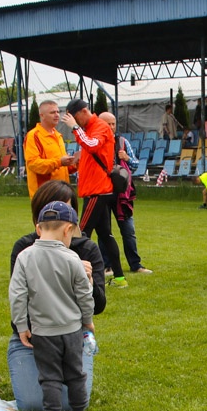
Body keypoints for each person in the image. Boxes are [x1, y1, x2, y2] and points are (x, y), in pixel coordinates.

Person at [8, 180, 105, 411]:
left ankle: (61, 397)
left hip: (72, 336)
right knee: (32, 403)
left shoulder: (86, 250)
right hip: (35, 337)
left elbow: (98, 304)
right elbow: (19, 298)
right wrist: (23, 328)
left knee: (71, 400)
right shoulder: (25, 250)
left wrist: (87, 279)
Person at [61, 98, 127, 289]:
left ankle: (77, 277)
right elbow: (90, 150)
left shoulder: (99, 126)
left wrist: (75, 128)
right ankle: (119, 278)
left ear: (83, 112)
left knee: (79, 235)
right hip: (98, 189)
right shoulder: (92, 128)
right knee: (105, 235)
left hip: (96, 191)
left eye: (75, 118)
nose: (75, 122)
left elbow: (92, 145)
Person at [99, 112, 151, 275]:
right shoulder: (95, 143)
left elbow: (136, 165)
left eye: (113, 124)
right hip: (102, 192)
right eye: (107, 124)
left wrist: (127, 158)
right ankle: (107, 266)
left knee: (129, 231)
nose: (111, 127)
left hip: (122, 194)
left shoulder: (122, 142)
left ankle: (136, 264)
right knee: (104, 232)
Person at [23, 101, 74, 201]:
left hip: (62, 192)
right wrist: (59, 162)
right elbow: (33, 164)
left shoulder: (58, 135)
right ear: (42, 115)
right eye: (52, 112)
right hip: (45, 194)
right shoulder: (34, 136)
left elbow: (61, 167)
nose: (57, 115)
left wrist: (74, 163)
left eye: (58, 112)